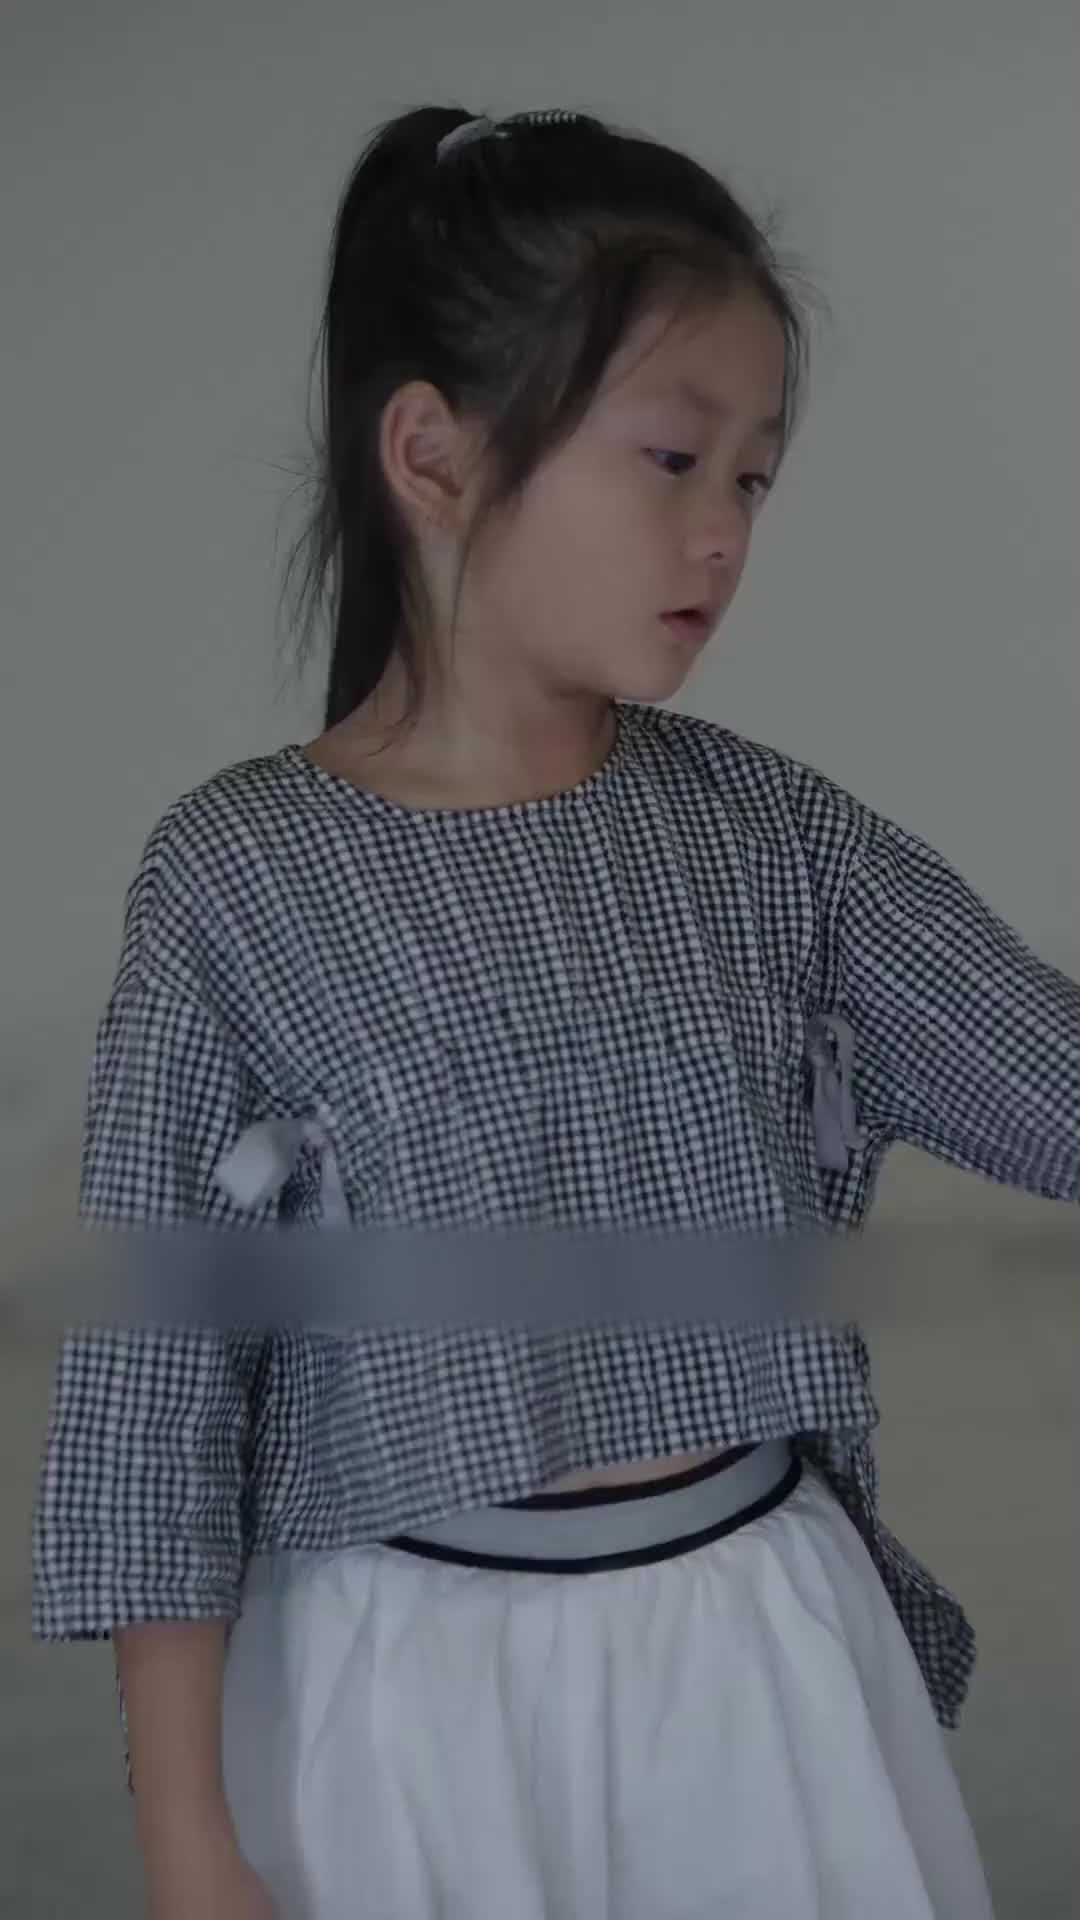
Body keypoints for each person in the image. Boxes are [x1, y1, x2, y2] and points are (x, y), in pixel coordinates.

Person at [32, 104, 1079, 1920]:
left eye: (754, 479)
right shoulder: (238, 882)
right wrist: (188, 1836)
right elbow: (154, 1395)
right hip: (407, 1703)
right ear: (432, 455)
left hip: (761, 1665)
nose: (722, 533)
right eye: (672, 458)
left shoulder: (770, 838)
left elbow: (1054, 1083)